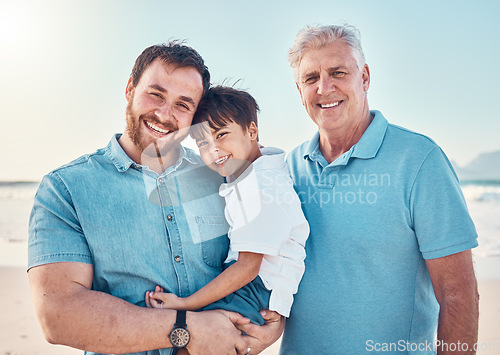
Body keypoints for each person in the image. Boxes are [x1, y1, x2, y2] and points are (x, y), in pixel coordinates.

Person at [27, 41, 283, 355]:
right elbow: (58, 316)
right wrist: (185, 329)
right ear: (130, 89)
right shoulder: (66, 188)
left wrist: (272, 321)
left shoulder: (224, 178)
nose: (164, 114)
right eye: (155, 94)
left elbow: (272, 250)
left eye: (183, 104)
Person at [280, 24, 479, 354]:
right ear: (299, 90)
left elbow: (458, 291)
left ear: (365, 77)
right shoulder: (287, 168)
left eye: (337, 72)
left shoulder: (419, 160)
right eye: (311, 78)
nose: (324, 88)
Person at [145, 86, 309, 327]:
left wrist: (185, 303)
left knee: (195, 340)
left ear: (252, 130)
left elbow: (247, 267)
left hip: (252, 291)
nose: (213, 149)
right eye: (203, 142)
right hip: (256, 288)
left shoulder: (257, 187)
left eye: (221, 134)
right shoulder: (261, 169)